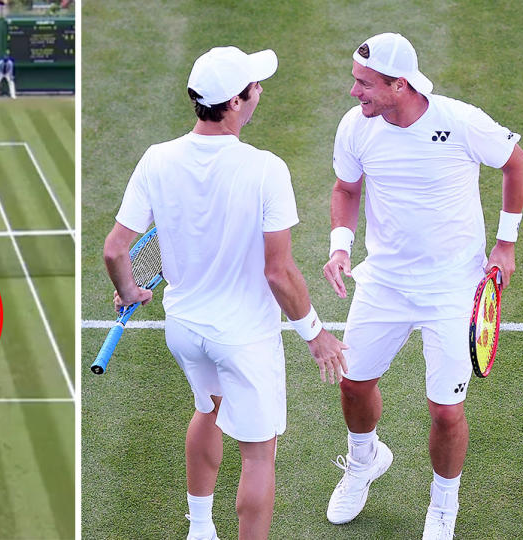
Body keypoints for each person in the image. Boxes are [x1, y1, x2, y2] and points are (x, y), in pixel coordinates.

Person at [103, 46, 348, 540]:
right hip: (242, 337)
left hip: (185, 330)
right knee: (259, 454)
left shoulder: (157, 159)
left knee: (208, 409)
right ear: (235, 102)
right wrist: (316, 334)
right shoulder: (266, 169)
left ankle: (199, 529)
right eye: (254, 86)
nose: (260, 91)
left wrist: (129, 289)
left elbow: (115, 250)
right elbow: (278, 273)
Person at [322, 33, 523, 540]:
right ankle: (364, 461)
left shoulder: (459, 121)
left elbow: (515, 162)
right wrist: (340, 245)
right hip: (385, 281)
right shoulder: (357, 128)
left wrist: (506, 244)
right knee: (353, 383)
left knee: (445, 410)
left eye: (365, 84)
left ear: (400, 84)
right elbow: (347, 189)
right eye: (355, 80)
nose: (354, 93)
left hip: (453, 287)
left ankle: (443, 506)